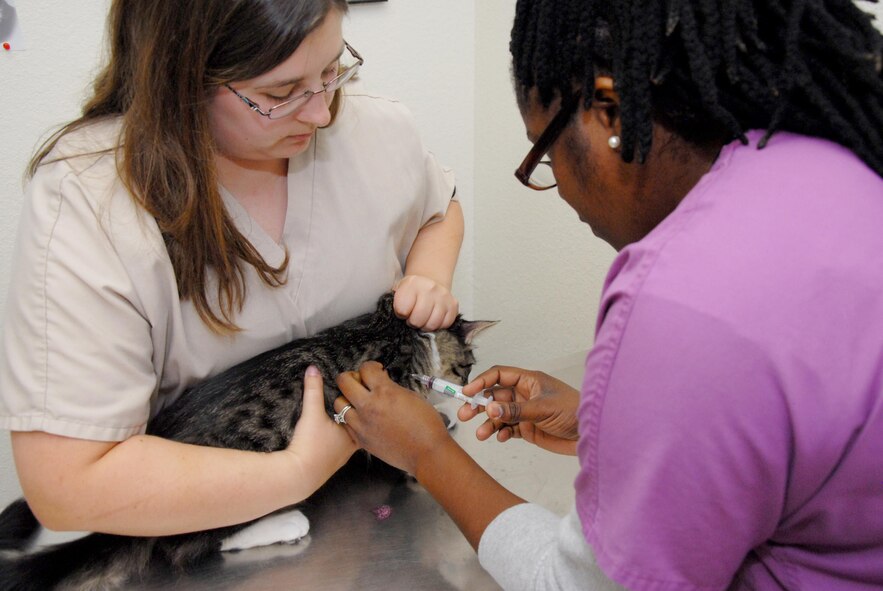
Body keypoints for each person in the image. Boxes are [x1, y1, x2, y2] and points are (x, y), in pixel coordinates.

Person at [328, 1, 883, 589]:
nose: (559, 188)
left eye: (545, 152)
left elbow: (578, 585)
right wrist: (610, 426)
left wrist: (428, 453)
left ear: (609, 108)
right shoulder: (840, 165)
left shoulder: (683, 298)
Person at [0, 0, 463, 538]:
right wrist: (295, 473)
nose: (320, 112)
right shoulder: (90, 199)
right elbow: (67, 485)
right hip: (194, 534)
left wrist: (427, 278)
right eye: (278, 94)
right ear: (183, 78)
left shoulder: (372, 128)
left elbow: (439, 207)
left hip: (377, 502)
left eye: (333, 69)